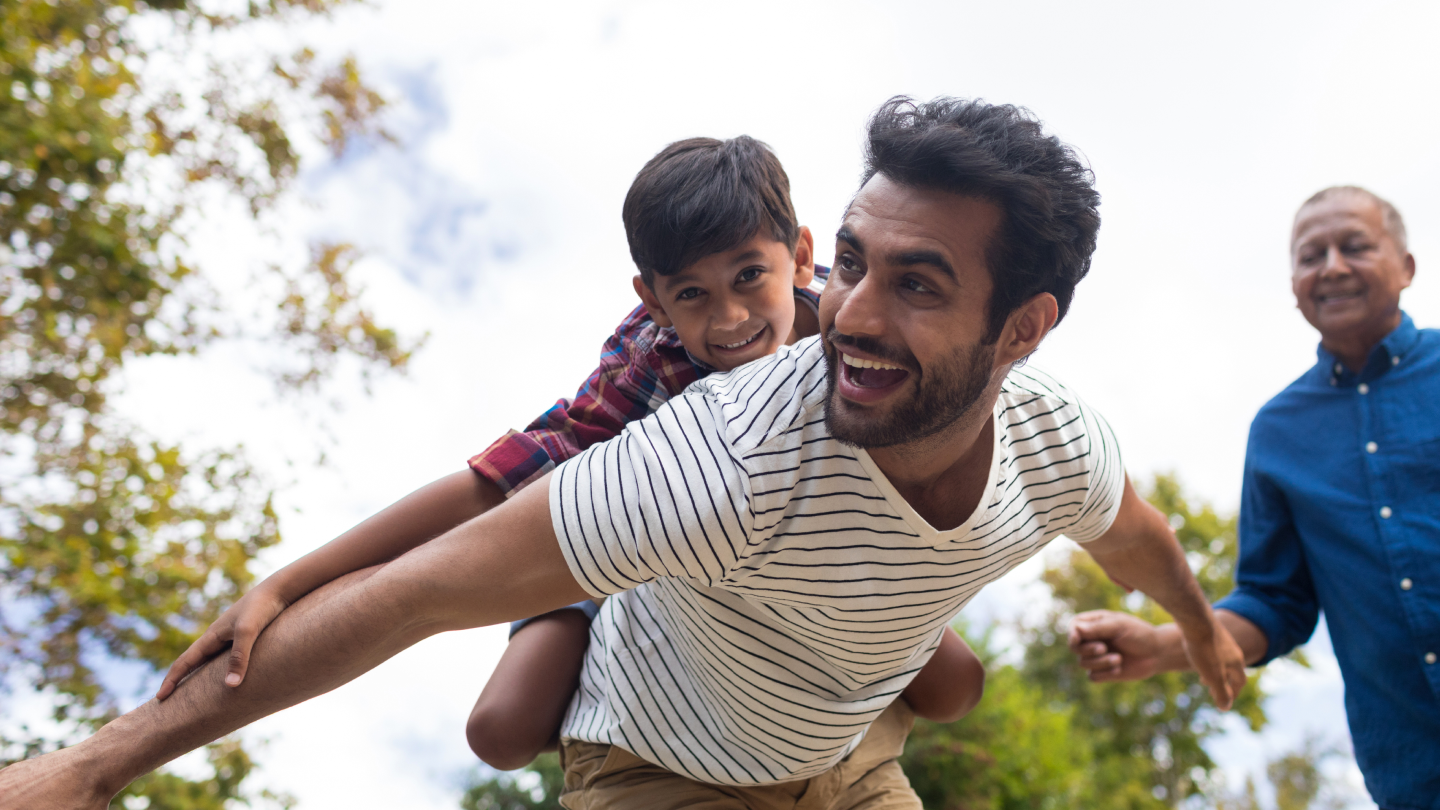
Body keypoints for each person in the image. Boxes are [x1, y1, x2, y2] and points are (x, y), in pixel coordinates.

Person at [0, 97, 1247, 810]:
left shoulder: (1053, 437)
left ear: (1027, 329)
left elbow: (1130, 532)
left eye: (914, 283)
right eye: (858, 267)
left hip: (846, 755)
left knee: (949, 674)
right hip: (665, 765)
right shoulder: (709, 451)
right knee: (503, 722)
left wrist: (1200, 624)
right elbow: (420, 579)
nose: (854, 315)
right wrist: (102, 763)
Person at [155, 135, 986, 772]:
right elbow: (494, 485)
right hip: (630, 539)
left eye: (748, 277)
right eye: (692, 295)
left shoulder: (848, 341)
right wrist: (282, 585)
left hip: (806, 556)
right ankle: (632, 673)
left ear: (799, 258)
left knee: (957, 688)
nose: (729, 318)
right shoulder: (649, 364)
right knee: (501, 732)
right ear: (653, 300)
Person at [1068, 186, 1438, 810]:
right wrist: (1163, 645)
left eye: (1355, 246)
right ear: (1295, 284)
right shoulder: (1278, 433)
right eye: (1310, 255)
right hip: (1413, 770)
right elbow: (1276, 602)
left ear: (1405, 266)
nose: (1333, 266)